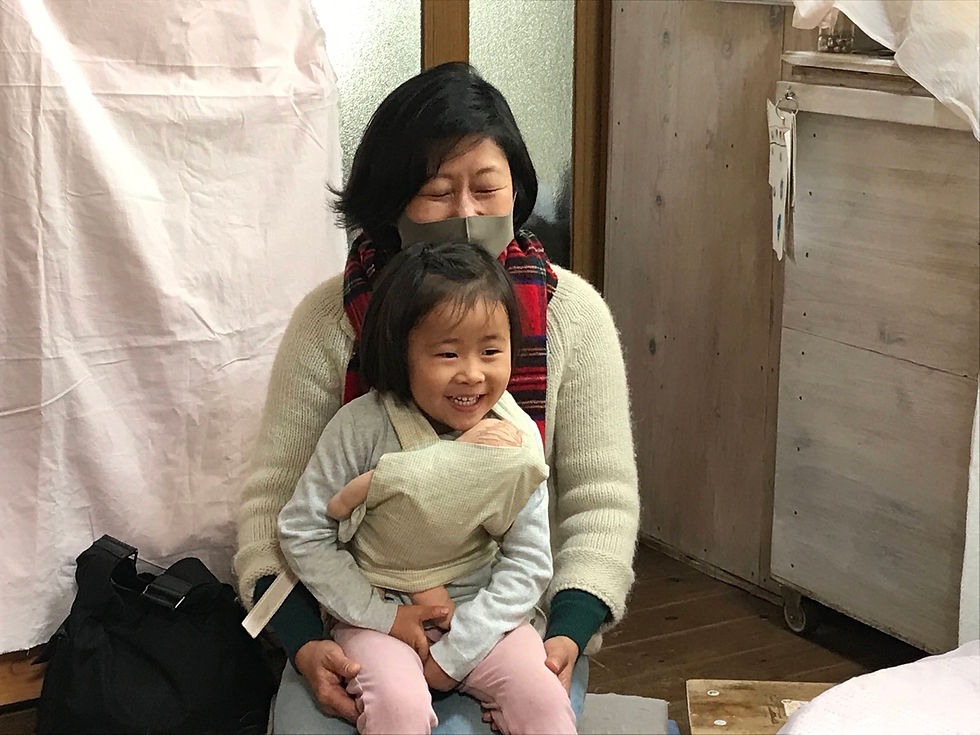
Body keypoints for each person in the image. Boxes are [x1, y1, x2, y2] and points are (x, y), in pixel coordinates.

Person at [235, 61, 640, 734]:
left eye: (487, 187)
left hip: (513, 618)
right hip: (356, 617)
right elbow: (273, 512)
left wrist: (567, 630)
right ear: (390, 201)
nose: (466, 214)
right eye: (436, 192)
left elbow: (600, 502)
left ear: (517, 190)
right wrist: (305, 642)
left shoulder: (573, 316)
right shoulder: (328, 321)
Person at [277, 240, 576, 734]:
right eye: (447, 353)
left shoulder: (516, 436)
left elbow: (529, 560)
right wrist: (381, 616)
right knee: (398, 707)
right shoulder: (360, 428)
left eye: (491, 351)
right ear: (402, 353)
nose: (472, 373)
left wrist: (459, 650)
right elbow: (303, 531)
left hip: (481, 611)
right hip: (382, 608)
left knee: (543, 701)